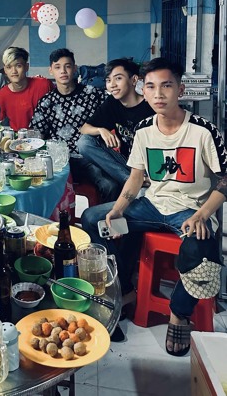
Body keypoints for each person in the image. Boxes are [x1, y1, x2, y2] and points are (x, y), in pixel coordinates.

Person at [80, 57, 227, 356]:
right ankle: (121, 290)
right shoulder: (144, 129)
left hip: (189, 210)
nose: (158, 94)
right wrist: (119, 208)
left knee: (202, 247)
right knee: (92, 218)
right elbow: (136, 176)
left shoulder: (203, 130)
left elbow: (224, 180)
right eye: (150, 87)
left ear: (180, 90)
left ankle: (179, 313)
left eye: (166, 86)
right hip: (151, 205)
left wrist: (202, 214)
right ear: (143, 90)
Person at [29, 48, 119, 202]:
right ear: (51, 71)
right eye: (57, 67)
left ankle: (104, 216)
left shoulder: (93, 94)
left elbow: (116, 109)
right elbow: (37, 134)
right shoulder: (46, 102)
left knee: (110, 185)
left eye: (68, 66)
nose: (63, 71)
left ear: (75, 68)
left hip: (89, 157)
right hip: (59, 160)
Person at [78, 58, 155, 191]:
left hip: (149, 168)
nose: (112, 85)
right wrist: (101, 130)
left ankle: (137, 184)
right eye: (108, 80)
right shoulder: (112, 103)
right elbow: (84, 129)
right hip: (126, 165)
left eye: (118, 78)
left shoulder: (150, 107)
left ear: (134, 80)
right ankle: (130, 181)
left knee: (140, 197)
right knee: (84, 142)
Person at [0, 46, 53, 131]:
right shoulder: (3, 94)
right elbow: (2, 122)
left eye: (18, 66)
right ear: (5, 70)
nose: (14, 71)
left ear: (26, 67)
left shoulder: (43, 84)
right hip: (17, 137)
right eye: (9, 67)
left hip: (45, 136)